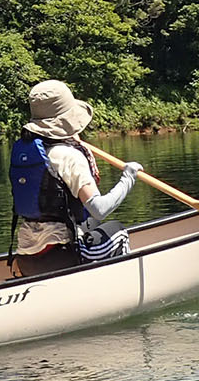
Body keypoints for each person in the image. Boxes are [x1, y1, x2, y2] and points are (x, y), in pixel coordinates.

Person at [8, 79, 143, 276]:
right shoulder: (69, 156)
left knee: (92, 227)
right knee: (118, 230)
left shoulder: (26, 152)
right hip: (60, 258)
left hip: (26, 259)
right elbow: (100, 209)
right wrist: (128, 178)